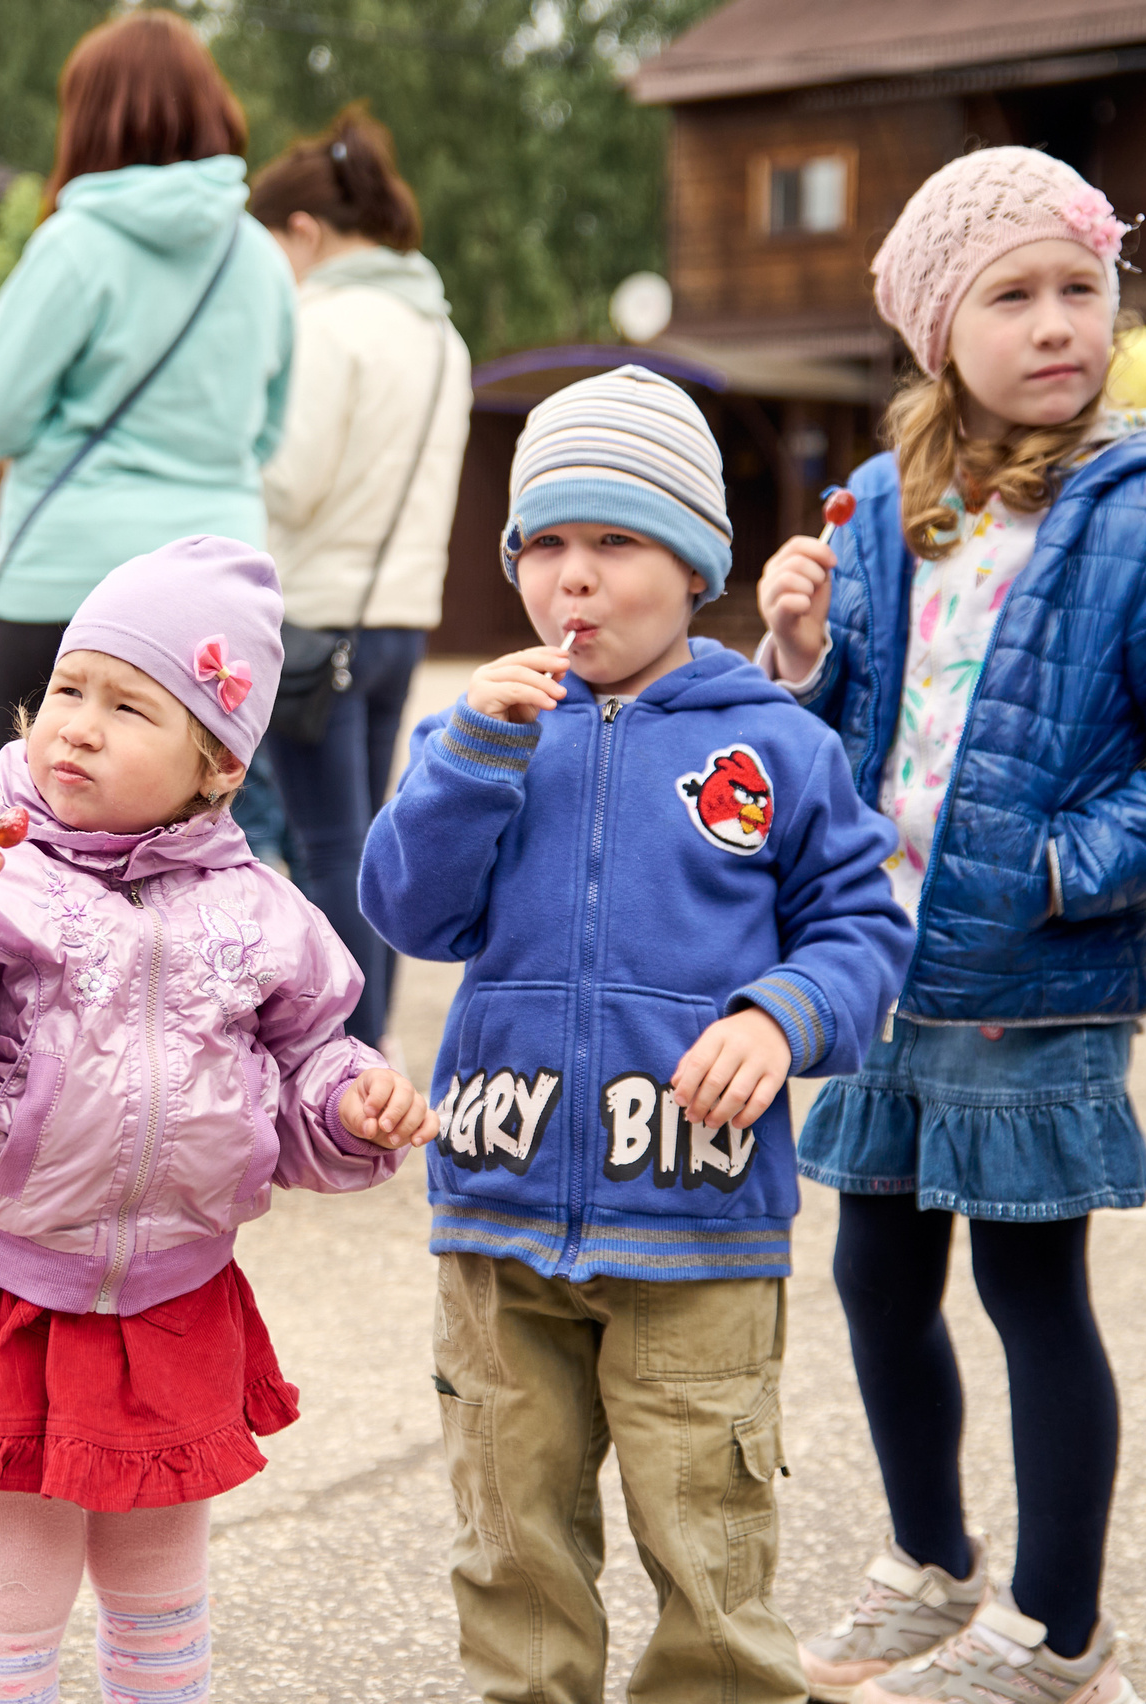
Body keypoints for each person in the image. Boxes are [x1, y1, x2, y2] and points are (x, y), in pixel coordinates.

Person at [753, 150, 1146, 1700]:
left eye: (1081, 289)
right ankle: (930, 1563)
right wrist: (793, 654)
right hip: (883, 965)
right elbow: (832, 733)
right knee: (875, 1276)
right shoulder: (876, 510)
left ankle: (1059, 1631)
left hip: (1036, 968)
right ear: (936, 330)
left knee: (1032, 1289)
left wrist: (1058, 868)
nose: (1060, 324)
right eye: (1014, 295)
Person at [359, 366, 915, 1704]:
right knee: (513, 1548)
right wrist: (466, 764)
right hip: (497, 1217)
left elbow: (863, 930)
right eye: (545, 546)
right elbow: (408, 909)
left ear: (696, 562)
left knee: (710, 1561)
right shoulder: (484, 731)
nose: (574, 581)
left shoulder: (776, 744)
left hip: (701, 1224)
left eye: (615, 542)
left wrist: (785, 1017)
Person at [0, 534, 431, 1704]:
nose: (77, 724)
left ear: (217, 767)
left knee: (159, 1594)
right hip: (9, 1295)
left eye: (131, 706)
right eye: (69, 690)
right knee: (13, 1594)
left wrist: (351, 1106)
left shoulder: (263, 916)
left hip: (174, 1302)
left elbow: (303, 1063)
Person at [0, 8, 296, 813]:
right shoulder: (261, 257)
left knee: (16, 851)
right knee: (187, 851)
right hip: (213, 601)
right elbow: (268, 432)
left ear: (91, 119)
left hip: (62, 586)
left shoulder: (76, 243)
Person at [248, 104, 472, 1050]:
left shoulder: (326, 324)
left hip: (316, 619)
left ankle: (347, 1062)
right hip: (395, 620)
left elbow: (291, 486)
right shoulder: (438, 333)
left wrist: (237, 437)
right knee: (367, 844)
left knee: (327, 849)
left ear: (303, 232)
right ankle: (365, 1049)